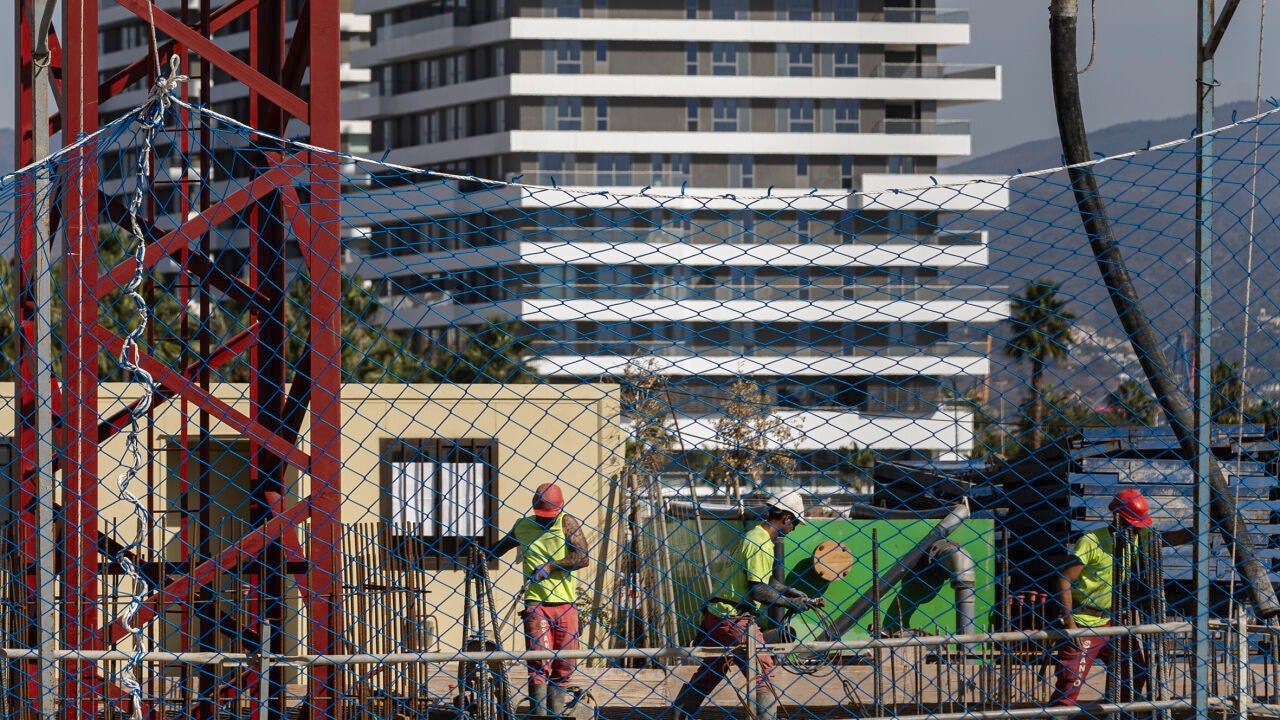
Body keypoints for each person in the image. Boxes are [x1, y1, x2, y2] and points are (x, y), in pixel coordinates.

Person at [671, 491, 825, 720]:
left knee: (713, 670)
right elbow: (758, 590)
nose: (794, 529)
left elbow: (761, 579)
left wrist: (788, 590)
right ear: (786, 518)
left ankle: (679, 714)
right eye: (795, 523)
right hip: (735, 618)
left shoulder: (753, 535)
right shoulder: (760, 543)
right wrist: (791, 603)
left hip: (717, 614)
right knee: (763, 671)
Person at [1050, 488, 1191, 706]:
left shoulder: (1137, 535)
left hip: (1114, 620)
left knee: (1135, 673)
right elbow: (1064, 579)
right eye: (1131, 524)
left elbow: (1170, 538)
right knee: (1070, 683)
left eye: (1138, 526)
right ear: (1117, 518)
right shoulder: (1092, 541)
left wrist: (1203, 525)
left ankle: (1117, 711)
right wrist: (1070, 624)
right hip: (1084, 621)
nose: (1135, 530)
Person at [488, 482, 589, 717]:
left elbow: (582, 558)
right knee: (539, 662)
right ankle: (539, 716)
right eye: (542, 515)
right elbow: (499, 548)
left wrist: (551, 566)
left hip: (565, 603)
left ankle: (555, 713)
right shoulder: (523, 527)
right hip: (536, 603)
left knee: (564, 663)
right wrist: (476, 554)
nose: (545, 520)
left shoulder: (566, 523)